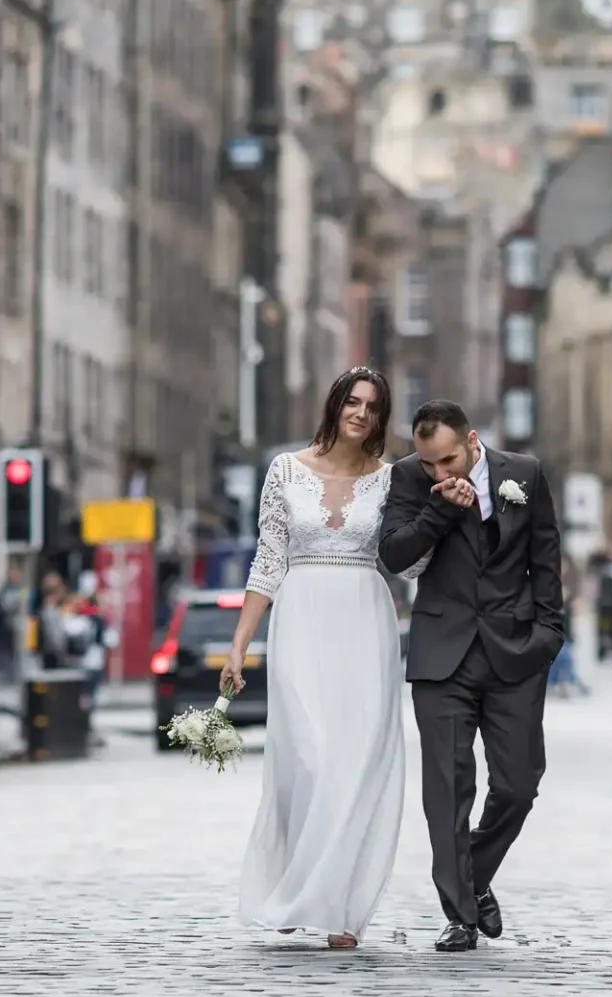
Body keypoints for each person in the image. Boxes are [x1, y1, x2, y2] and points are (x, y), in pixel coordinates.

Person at [226, 368, 409, 950]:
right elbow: (267, 561)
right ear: (334, 406)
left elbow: (410, 561)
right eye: (352, 402)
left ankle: (340, 912)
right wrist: (239, 645)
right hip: (301, 619)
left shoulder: (390, 480)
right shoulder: (284, 469)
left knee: (354, 765)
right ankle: (295, 886)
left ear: (381, 418)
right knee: (306, 756)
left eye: (372, 407)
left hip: (365, 619)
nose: (360, 413)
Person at [379, 396, 563, 953]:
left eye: (448, 461)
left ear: (472, 442)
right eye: (428, 462)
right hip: (442, 655)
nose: (438, 471)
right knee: (447, 789)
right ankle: (459, 914)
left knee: (518, 784)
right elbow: (393, 552)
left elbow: (546, 556)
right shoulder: (408, 479)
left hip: (514, 651)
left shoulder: (524, 474)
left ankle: (474, 876)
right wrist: (442, 508)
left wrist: (548, 635)